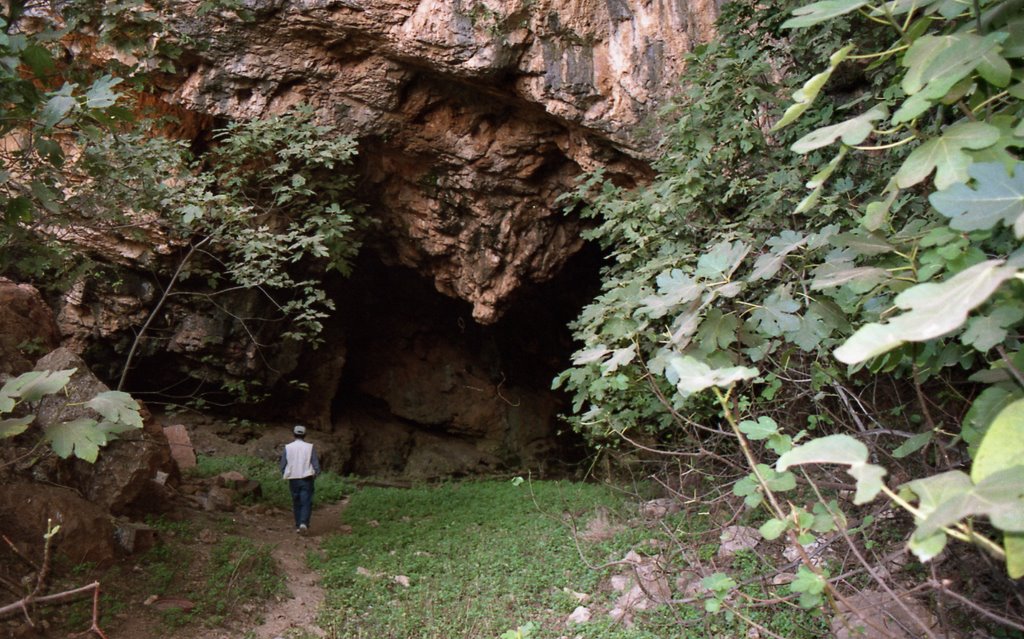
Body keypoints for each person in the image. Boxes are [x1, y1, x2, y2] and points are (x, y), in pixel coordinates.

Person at [280, 424, 320, 534]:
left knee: (296, 501)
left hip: (293, 478)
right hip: (307, 477)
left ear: (294, 434)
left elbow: (283, 463)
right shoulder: (310, 447)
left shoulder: (288, 447)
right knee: (306, 501)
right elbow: (315, 462)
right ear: (305, 435)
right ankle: (304, 523)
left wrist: (284, 473)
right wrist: (316, 473)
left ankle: (298, 525)